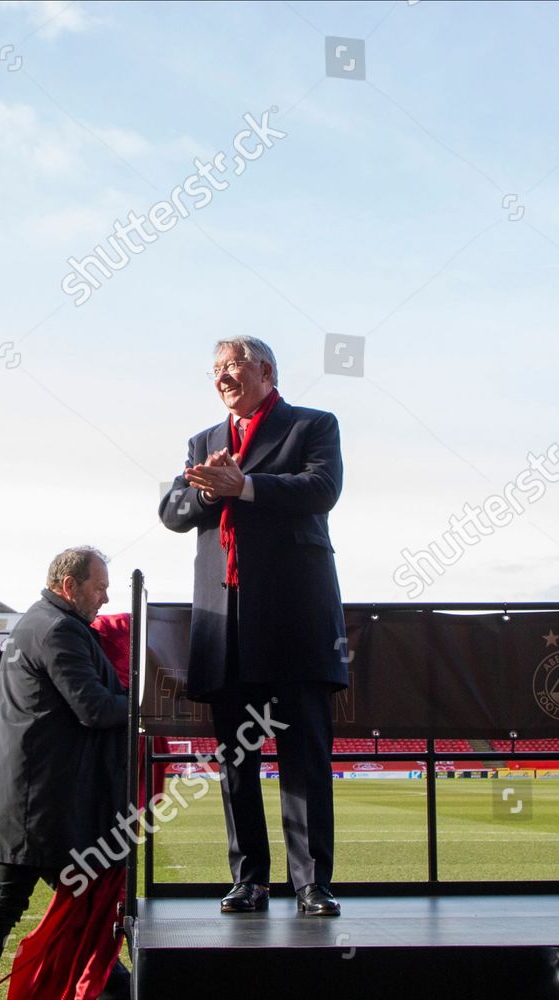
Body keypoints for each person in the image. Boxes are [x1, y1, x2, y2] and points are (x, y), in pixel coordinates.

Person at [158, 336, 348, 917]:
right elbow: (170, 512)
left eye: (233, 365)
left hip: (294, 617)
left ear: (266, 370)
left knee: (303, 755)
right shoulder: (203, 442)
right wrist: (210, 490)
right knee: (235, 761)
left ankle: (312, 883)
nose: (222, 376)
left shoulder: (312, 425)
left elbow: (323, 489)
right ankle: (250, 880)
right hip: (226, 623)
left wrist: (244, 485)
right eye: (215, 368)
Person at [0, 547, 129, 1000]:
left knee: (52, 907)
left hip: (36, 802)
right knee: (31, 907)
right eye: (98, 587)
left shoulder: (45, 622)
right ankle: (115, 987)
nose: (105, 597)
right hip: (39, 806)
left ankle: (114, 987)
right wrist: (148, 709)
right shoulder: (57, 628)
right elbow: (94, 707)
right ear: (70, 586)